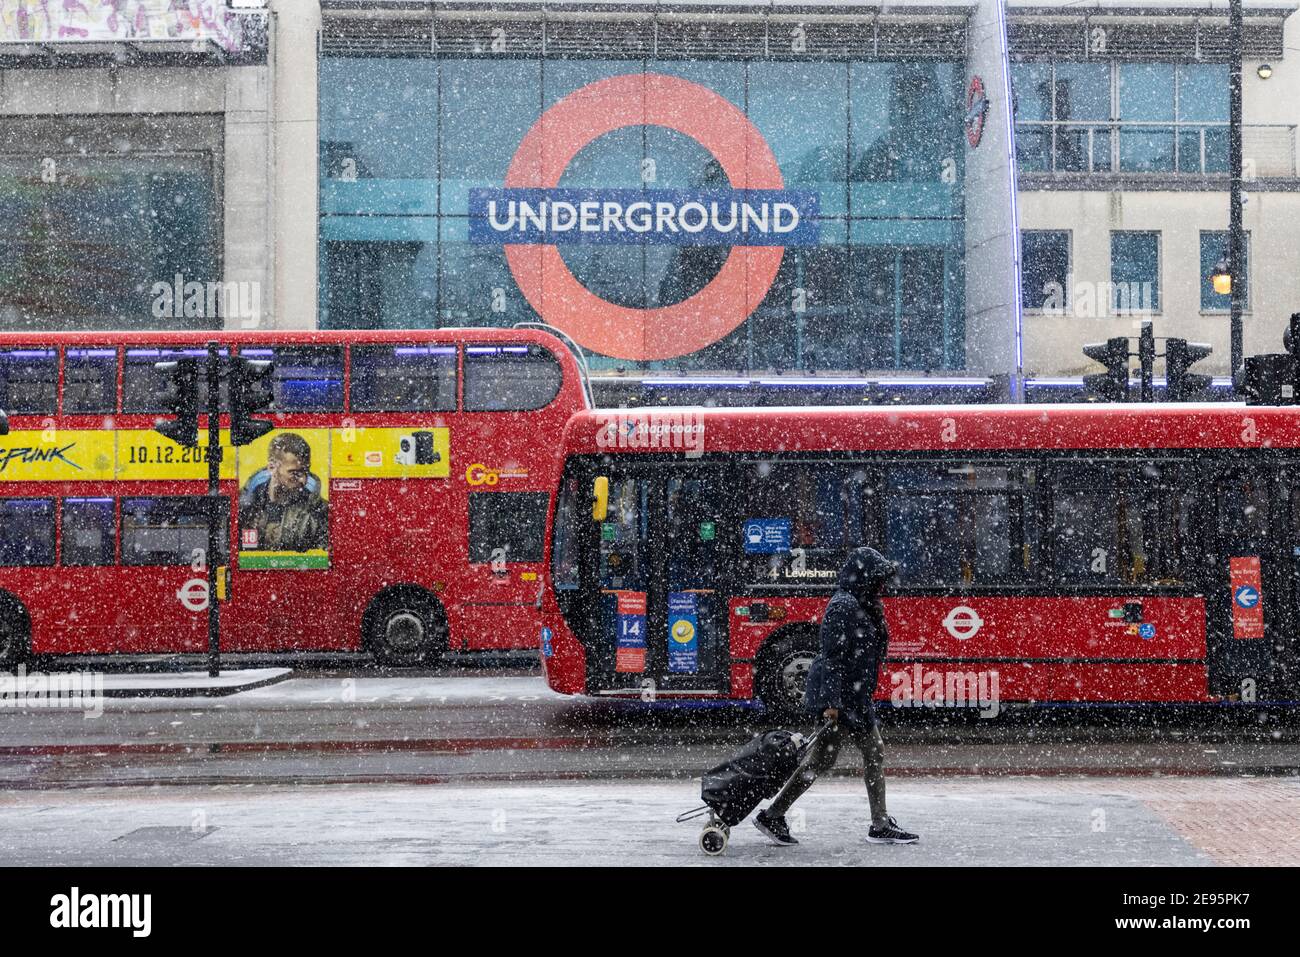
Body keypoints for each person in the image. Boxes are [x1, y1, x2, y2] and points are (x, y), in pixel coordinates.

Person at [755, 546, 919, 846]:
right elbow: (831, 658)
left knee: (871, 751)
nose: (882, 585)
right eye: (877, 578)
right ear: (864, 577)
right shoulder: (842, 606)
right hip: (840, 697)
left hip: (855, 696)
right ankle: (774, 814)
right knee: (822, 761)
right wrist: (831, 706)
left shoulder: (863, 602)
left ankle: (880, 823)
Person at [238, 432, 328, 552]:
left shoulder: (319, 511)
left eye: (306, 471)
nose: (303, 480)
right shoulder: (243, 507)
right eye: (294, 473)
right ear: (272, 467)